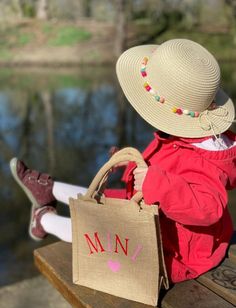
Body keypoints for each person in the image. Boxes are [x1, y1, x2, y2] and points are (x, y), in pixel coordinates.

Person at [10, 38, 236, 284]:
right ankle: (49, 189)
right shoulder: (191, 139)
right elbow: (172, 166)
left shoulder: (203, 160)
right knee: (106, 203)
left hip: (178, 251)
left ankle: (44, 220)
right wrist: (131, 164)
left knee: (104, 236)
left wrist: (158, 184)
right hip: (163, 220)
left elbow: (208, 208)